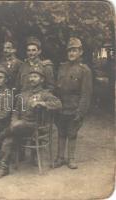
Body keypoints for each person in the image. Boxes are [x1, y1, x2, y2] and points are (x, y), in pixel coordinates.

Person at [0, 67, 62, 178]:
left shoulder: (45, 94)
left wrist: (42, 103)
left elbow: (58, 104)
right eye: (31, 76)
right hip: (20, 126)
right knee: (9, 138)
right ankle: (4, 168)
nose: (32, 79)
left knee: (15, 127)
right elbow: (16, 111)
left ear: (42, 80)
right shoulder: (23, 94)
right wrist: (14, 121)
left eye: (35, 77)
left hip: (36, 127)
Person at [54, 37, 93, 169]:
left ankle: (71, 159)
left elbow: (86, 94)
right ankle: (60, 158)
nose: (71, 53)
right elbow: (57, 88)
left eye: (74, 50)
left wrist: (80, 112)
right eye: (69, 51)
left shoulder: (84, 70)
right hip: (61, 107)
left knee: (72, 132)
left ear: (80, 52)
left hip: (74, 107)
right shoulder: (62, 67)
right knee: (61, 132)